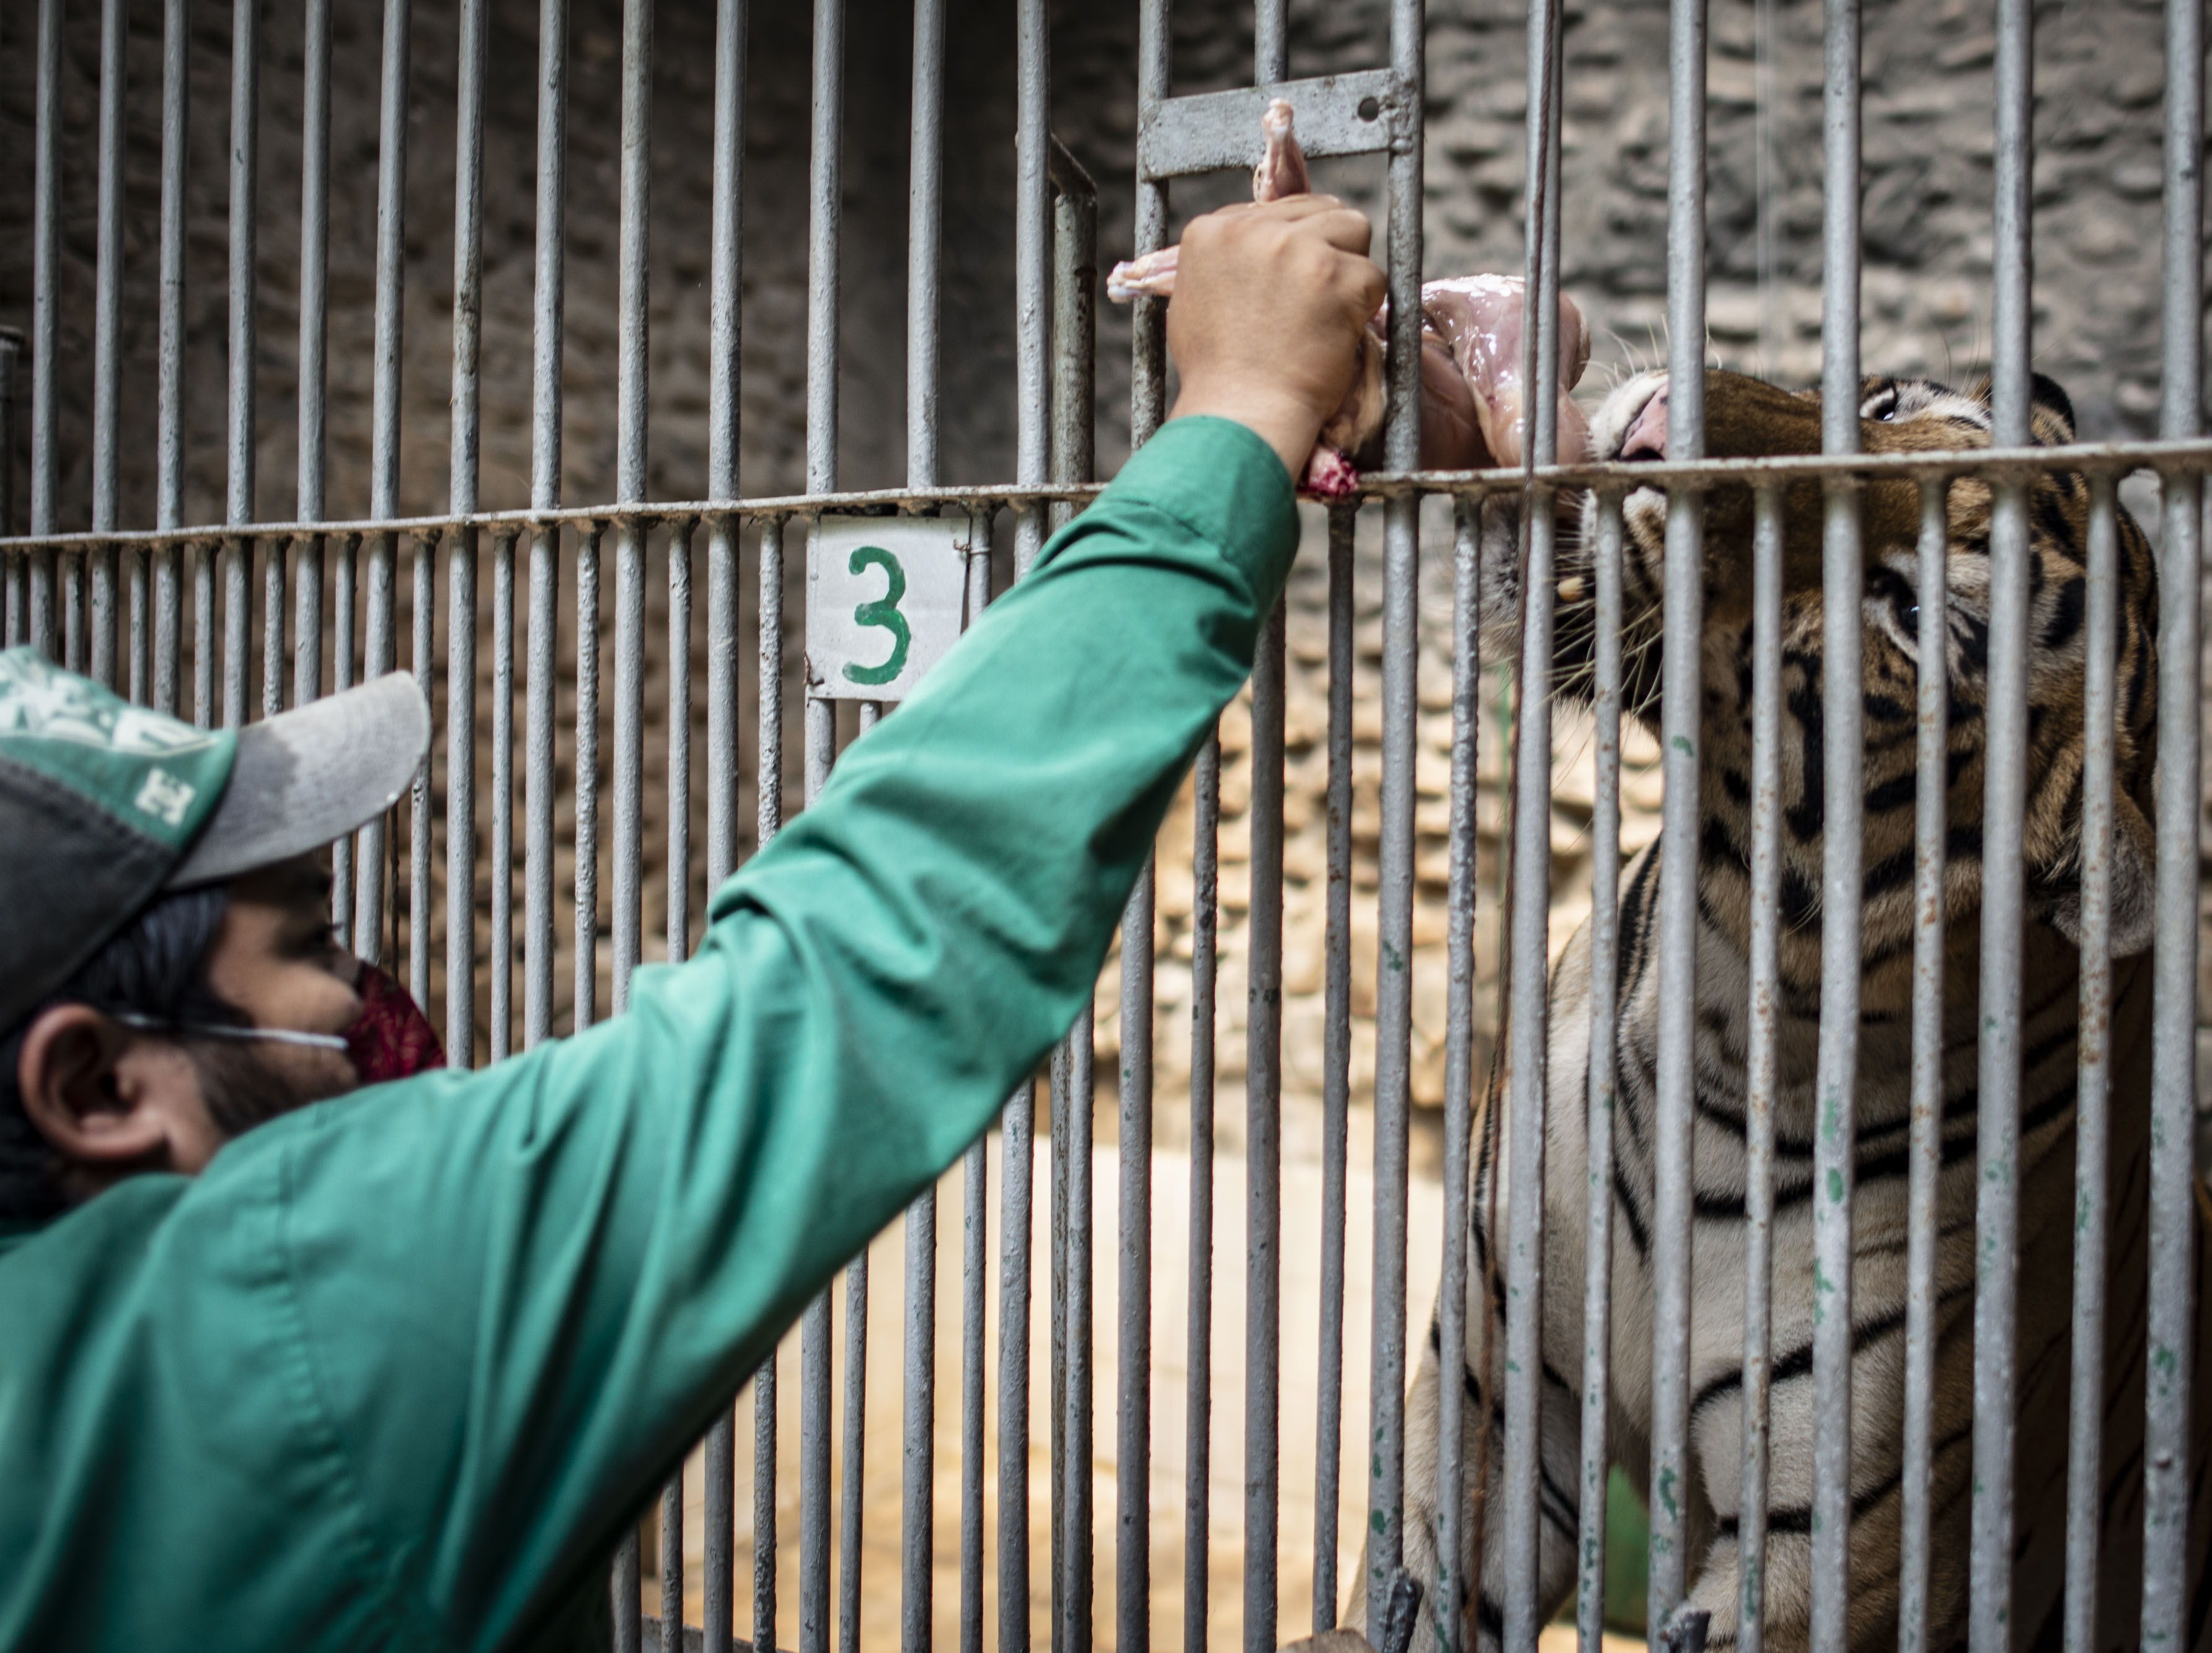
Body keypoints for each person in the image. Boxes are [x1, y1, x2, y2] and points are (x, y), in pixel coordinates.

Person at [0, 193, 1386, 1650]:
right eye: (305, 948)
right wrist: (1235, 410)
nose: (363, 995)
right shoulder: (264, 1335)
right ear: (93, 1086)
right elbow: (854, 961)